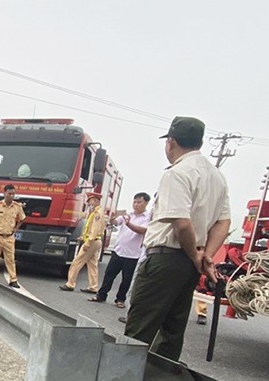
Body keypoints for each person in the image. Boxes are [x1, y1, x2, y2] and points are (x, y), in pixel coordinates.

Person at [125, 116, 230, 362]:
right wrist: (205, 255)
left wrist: (196, 255)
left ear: (170, 142)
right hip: (188, 264)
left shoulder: (178, 172)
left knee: (139, 329)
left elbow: (181, 223)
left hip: (166, 258)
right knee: (172, 331)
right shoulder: (217, 177)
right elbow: (223, 222)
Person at [88, 192, 151, 308]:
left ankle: (120, 299)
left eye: (139, 202)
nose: (136, 205)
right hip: (118, 251)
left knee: (126, 279)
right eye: (134, 202)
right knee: (109, 275)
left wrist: (129, 224)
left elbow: (142, 230)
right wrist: (112, 219)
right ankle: (101, 295)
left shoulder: (147, 217)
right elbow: (116, 222)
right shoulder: (128, 215)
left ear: (146, 203)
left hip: (133, 254)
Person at [59, 192, 106, 293]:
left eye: (91, 201)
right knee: (92, 265)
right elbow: (90, 228)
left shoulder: (97, 213)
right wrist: (83, 237)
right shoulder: (95, 212)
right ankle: (93, 287)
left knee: (77, 262)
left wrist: (88, 242)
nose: (89, 203)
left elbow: (95, 229)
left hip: (92, 242)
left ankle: (70, 284)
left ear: (96, 200)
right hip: (95, 241)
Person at [0, 184, 26, 288]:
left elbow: (22, 218)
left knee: (10, 259)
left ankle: (13, 279)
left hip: (9, 237)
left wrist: (16, 228)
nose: (11, 196)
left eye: (13, 194)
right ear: (4, 193)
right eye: (9, 194)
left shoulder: (17, 206)